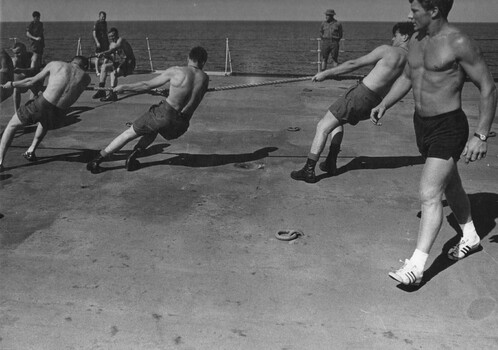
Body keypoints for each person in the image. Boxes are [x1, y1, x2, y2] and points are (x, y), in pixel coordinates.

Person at [370, 0, 497, 286]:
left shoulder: (459, 42)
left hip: (449, 126)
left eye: (414, 11)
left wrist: (480, 135)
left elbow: (488, 86)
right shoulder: (415, 40)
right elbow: (408, 76)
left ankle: (416, 267)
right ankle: (470, 236)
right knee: (450, 186)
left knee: (429, 192)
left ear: (434, 11)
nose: (408, 15)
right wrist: (385, 103)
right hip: (422, 126)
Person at [291, 22, 415, 183]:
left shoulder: (388, 51)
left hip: (360, 95)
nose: (392, 39)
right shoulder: (412, 60)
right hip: (375, 102)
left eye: (395, 35)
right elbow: (404, 85)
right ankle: (330, 163)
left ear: (404, 36)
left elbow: (354, 64)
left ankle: (308, 170)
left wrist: (326, 73)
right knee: (337, 122)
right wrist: (383, 106)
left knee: (322, 126)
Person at [86, 46, 209, 174]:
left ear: (188, 58)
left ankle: (97, 160)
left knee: (129, 133)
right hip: (181, 125)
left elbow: (146, 85)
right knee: (153, 129)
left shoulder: (176, 71)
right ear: (203, 62)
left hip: (164, 114)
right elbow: (189, 96)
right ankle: (134, 156)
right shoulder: (205, 79)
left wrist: (124, 87)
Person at [0, 56, 91, 170]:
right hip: (59, 113)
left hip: (42, 104)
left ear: (71, 61)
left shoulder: (55, 64)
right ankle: (31, 150)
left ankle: (0, 162)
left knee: (11, 125)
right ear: (85, 67)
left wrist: (12, 84)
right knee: (45, 122)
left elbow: (31, 82)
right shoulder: (87, 78)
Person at [92, 27, 136, 102]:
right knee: (104, 67)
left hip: (129, 63)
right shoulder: (111, 44)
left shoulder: (121, 41)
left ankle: (113, 94)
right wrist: (103, 57)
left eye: (113, 36)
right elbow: (110, 56)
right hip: (121, 63)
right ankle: (101, 90)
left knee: (113, 73)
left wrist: (102, 53)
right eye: (110, 37)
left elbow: (113, 50)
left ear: (117, 35)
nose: (112, 38)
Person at [11, 42, 43, 110]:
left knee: (34, 95)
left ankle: (33, 111)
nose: (16, 55)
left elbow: (33, 69)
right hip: (25, 79)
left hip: (35, 78)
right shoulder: (15, 59)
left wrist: (21, 70)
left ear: (24, 50)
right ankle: (16, 112)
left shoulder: (33, 56)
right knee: (16, 89)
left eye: (18, 52)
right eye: (14, 53)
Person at [92, 11, 109, 76]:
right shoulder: (97, 23)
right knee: (98, 57)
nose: (103, 18)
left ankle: (102, 69)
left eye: (104, 17)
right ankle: (97, 71)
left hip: (105, 42)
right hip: (99, 42)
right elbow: (94, 34)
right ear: (99, 16)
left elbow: (106, 32)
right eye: (102, 17)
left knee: (107, 56)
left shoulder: (105, 23)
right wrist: (97, 42)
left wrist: (108, 41)